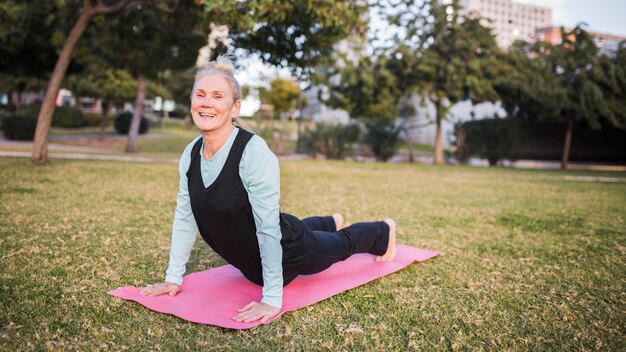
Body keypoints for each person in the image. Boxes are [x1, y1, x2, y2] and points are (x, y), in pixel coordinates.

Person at [139, 55, 396, 324]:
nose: (206, 103)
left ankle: (382, 230)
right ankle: (329, 221)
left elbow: (268, 227)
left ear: (235, 107)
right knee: (293, 225)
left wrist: (272, 298)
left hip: (289, 255)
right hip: (253, 266)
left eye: (217, 96)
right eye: (200, 95)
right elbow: (185, 216)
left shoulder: (253, 152)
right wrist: (173, 278)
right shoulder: (191, 152)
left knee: (342, 245)